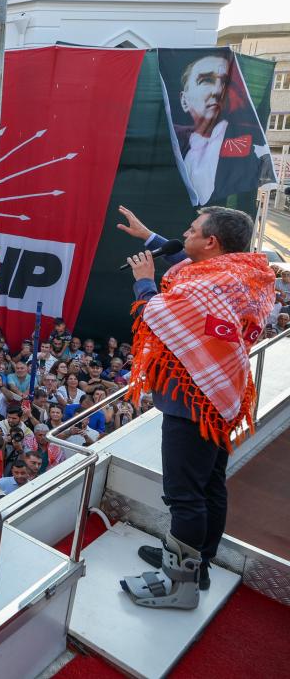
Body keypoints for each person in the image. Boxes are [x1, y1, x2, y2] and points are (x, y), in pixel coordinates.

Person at [118, 205, 275, 609]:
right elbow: (193, 270)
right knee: (208, 486)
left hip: (193, 399)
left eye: (191, 230)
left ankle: (178, 585)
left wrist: (144, 281)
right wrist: (151, 238)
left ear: (212, 242)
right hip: (222, 396)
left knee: (184, 495)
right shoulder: (242, 275)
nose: (183, 234)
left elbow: (159, 315)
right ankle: (197, 563)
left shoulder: (207, 287)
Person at [164, 52, 274, 206]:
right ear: (184, 100)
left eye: (225, 83)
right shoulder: (171, 139)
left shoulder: (251, 142)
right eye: (206, 80)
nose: (217, 91)